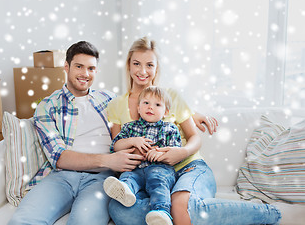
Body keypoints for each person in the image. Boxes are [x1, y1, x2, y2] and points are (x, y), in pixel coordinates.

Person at [107, 37, 282, 225]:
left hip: (187, 167)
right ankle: (166, 213)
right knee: (119, 209)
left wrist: (180, 152)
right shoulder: (116, 105)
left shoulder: (171, 96)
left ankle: (270, 213)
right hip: (149, 176)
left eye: (149, 65)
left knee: (180, 206)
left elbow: (194, 137)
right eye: (136, 64)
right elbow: (118, 147)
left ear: (157, 68)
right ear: (128, 65)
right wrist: (138, 148)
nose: (143, 71)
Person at [8, 41, 144, 225]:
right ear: (66, 67)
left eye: (91, 68)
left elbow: (148, 107)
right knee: (21, 221)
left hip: (101, 179)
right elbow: (59, 157)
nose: (85, 74)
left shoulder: (109, 99)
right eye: (79, 66)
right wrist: (108, 160)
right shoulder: (47, 106)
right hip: (61, 176)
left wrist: (190, 115)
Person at [104, 86, 181, 225]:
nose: (150, 107)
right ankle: (126, 192)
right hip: (136, 169)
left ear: (166, 112)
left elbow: (175, 152)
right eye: (146, 103)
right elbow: (115, 146)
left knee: (158, 183)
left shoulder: (170, 129)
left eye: (157, 104)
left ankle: (161, 212)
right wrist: (132, 140)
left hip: (160, 169)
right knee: (128, 177)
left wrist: (159, 153)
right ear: (138, 108)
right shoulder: (130, 127)